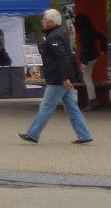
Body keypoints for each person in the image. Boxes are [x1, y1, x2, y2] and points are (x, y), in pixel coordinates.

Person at [19, 9, 93, 145]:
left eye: (44, 19)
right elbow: (65, 56)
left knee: (46, 106)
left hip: (58, 78)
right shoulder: (59, 34)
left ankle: (33, 133)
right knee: (71, 107)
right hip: (63, 76)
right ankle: (84, 135)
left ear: (51, 22)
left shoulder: (53, 37)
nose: (42, 21)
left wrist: (64, 78)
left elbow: (62, 57)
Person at [72, 12, 108, 110]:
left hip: (88, 58)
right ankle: (93, 100)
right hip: (94, 56)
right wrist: (103, 50)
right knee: (88, 78)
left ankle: (92, 100)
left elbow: (85, 48)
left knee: (87, 79)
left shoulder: (83, 34)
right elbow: (103, 38)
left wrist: (84, 62)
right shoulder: (92, 30)